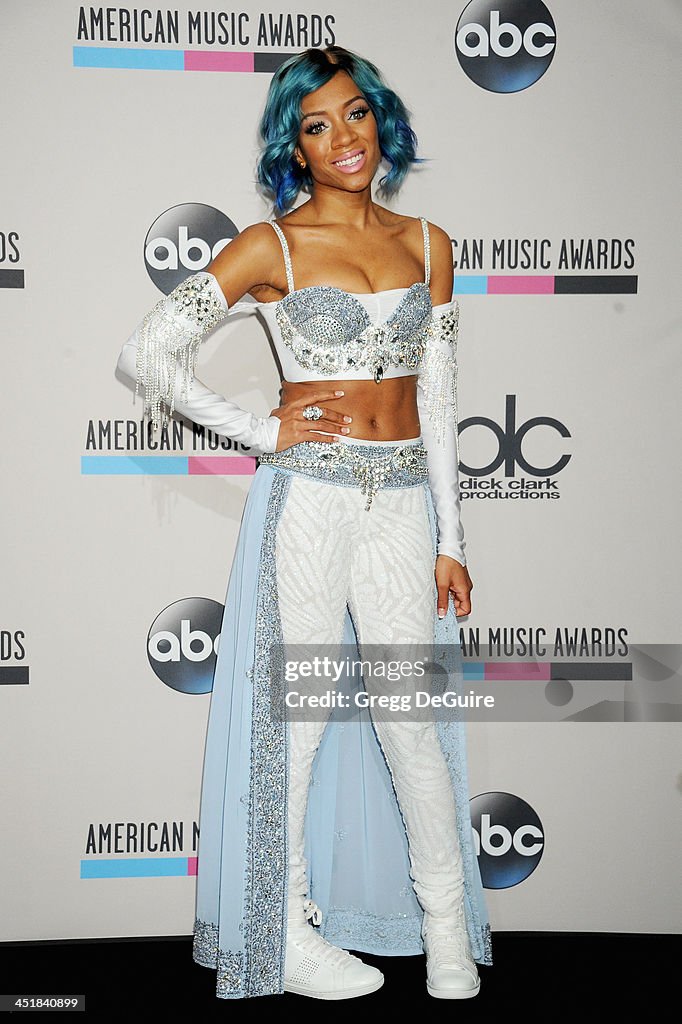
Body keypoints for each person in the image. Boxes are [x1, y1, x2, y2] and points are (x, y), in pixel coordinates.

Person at [117, 44, 492, 1002]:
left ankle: (447, 929)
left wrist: (453, 538)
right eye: (316, 126)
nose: (342, 140)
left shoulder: (428, 241)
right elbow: (149, 355)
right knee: (305, 724)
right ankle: (285, 937)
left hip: (405, 502)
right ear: (296, 145)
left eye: (355, 115)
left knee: (411, 720)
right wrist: (260, 430)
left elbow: (441, 403)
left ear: (382, 118)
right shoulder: (269, 246)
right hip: (313, 504)